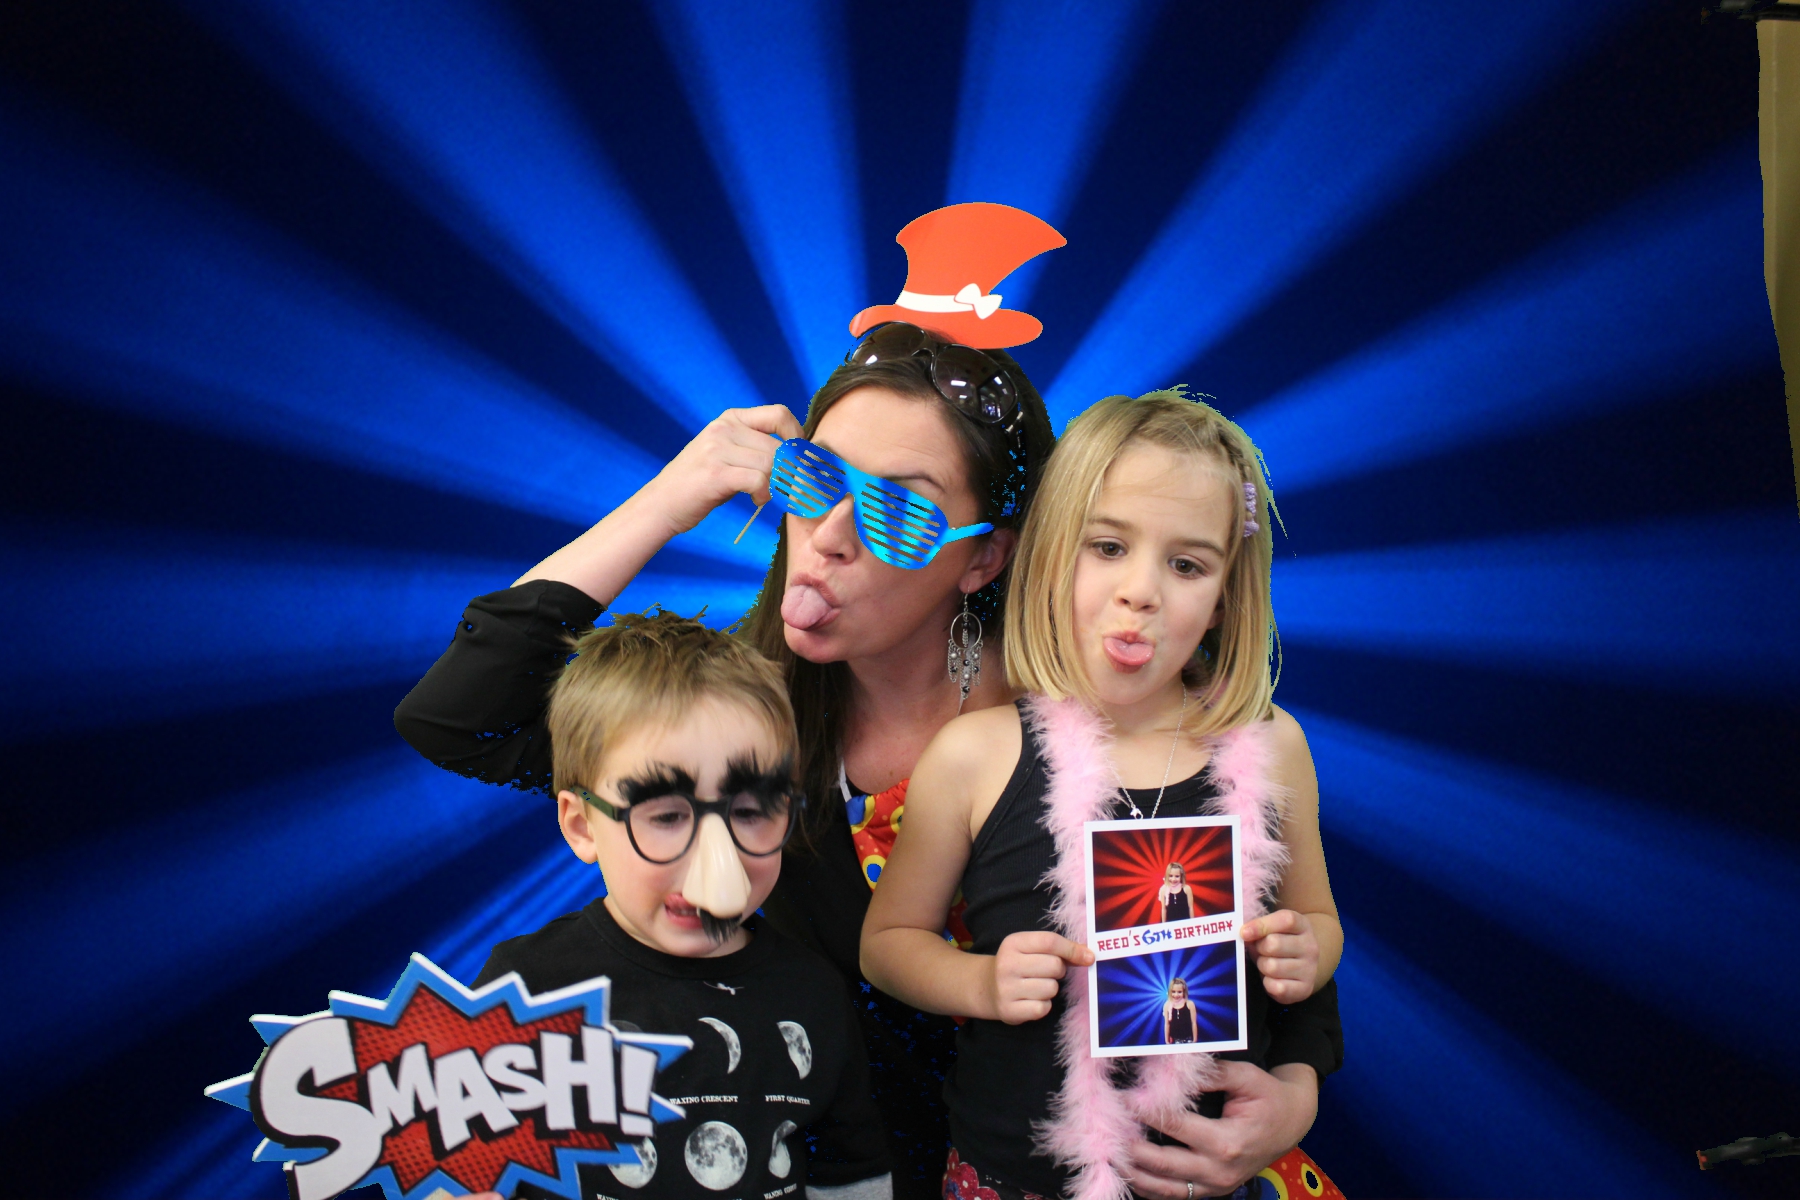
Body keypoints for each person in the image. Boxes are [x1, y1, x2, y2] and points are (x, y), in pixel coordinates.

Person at [394, 204, 1342, 1200]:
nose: (831, 533)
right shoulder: (736, 720)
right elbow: (460, 718)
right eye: (812, 481)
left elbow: (1257, 905)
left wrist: (1295, 1091)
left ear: (984, 558)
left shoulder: (1086, 702)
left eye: (897, 507)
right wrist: (677, 491)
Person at [861, 390, 1343, 1200]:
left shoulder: (1272, 747)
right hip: (1009, 1176)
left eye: (1186, 565)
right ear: (1053, 554)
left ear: (1223, 596)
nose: (1141, 591)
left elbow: (1318, 923)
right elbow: (888, 942)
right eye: (1109, 546)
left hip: (1205, 1171)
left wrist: (1307, 954)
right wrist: (980, 983)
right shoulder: (975, 755)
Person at [474, 611, 891, 1200]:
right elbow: (460, 1162)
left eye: (750, 812)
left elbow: (850, 1174)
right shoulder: (526, 989)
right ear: (582, 826)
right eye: (668, 816)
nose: (714, 859)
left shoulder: (813, 991)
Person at [1165, 979, 1198, 1046]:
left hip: (1189, 1040)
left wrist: (1194, 1040)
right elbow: (1167, 1024)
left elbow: (1194, 1023)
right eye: (1173, 992)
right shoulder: (1167, 1005)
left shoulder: (1189, 1004)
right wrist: (1167, 1041)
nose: (1176, 995)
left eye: (1179, 992)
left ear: (1184, 992)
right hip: (1174, 1041)